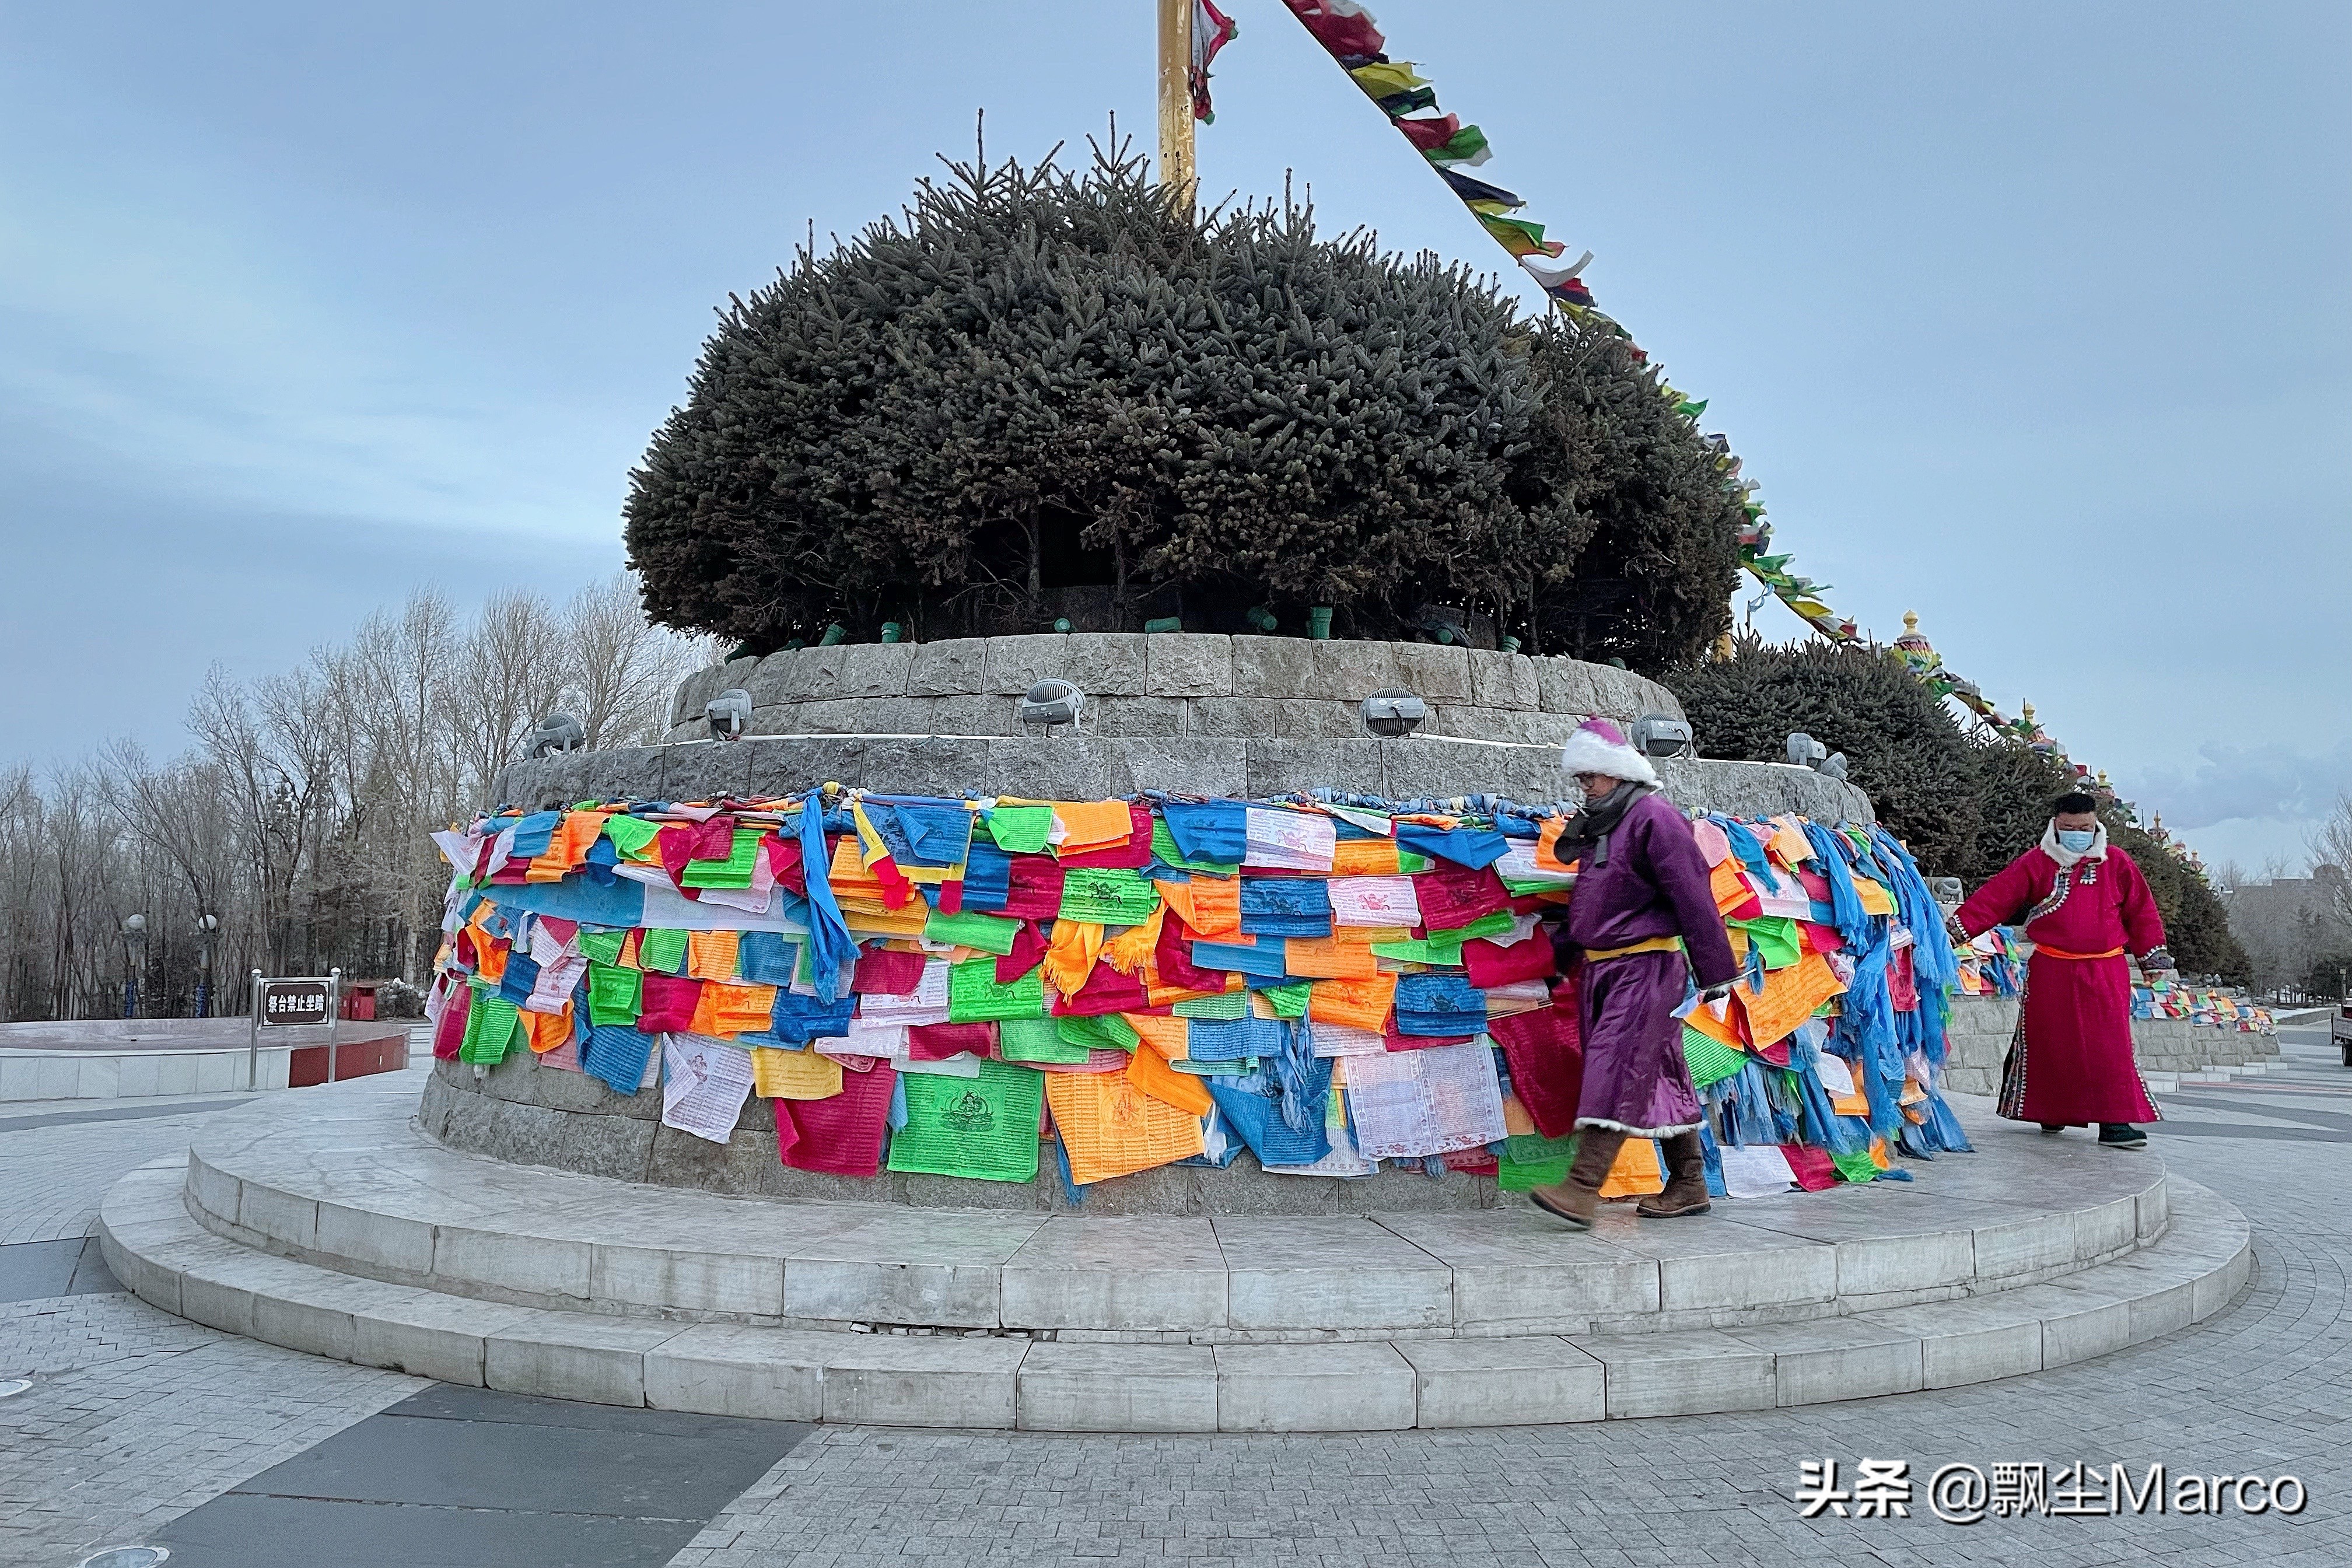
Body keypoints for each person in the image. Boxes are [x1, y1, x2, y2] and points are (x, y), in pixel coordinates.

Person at [1527, 719, 1740, 1228]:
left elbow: (1694, 895)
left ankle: (1582, 1189)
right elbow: (1592, 904)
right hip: (1606, 971)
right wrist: (1560, 961)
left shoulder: (1654, 818)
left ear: (1617, 773)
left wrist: (1715, 971)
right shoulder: (1607, 822)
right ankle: (1690, 1183)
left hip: (1646, 968)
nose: (1583, 787)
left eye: (1590, 777)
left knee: (1617, 1067)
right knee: (1658, 1070)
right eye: (1580, 778)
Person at [1952, 792, 2171, 1149]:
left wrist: (2153, 961)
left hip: (2106, 969)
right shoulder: (2037, 863)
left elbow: (2142, 912)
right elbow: (1996, 898)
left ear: (2095, 823)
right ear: (2056, 824)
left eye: (2084, 828)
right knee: (2049, 1042)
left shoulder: (2116, 862)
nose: (2077, 834)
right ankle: (2052, 1111)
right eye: (2069, 828)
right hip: (2052, 968)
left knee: (2109, 1045)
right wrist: (1952, 933)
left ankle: (2115, 1123)